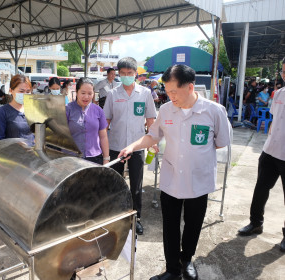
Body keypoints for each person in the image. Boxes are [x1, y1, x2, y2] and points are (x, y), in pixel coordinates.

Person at [118, 64, 231, 280]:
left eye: (173, 92)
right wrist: (133, 146)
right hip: (171, 178)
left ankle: (186, 259)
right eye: (167, 91)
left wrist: (194, 155)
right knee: (169, 225)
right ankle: (172, 269)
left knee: (193, 223)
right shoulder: (167, 110)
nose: (169, 96)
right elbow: (153, 136)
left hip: (199, 179)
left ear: (190, 87)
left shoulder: (214, 111)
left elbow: (220, 143)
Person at [103, 57, 156, 235]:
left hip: (138, 146)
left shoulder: (145, 94)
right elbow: (106, 121)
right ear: (118, 74)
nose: (126, 76)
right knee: (116, 183)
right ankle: (116, 217)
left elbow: (150, 120)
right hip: (115, 145)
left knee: (136, 185)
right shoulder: (112, 94)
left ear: (136, 74)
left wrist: (153, 142)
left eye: (130, 74)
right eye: (123, 74)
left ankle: (136, 218)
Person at [238, 58, 285, 254]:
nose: (284, 73)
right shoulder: (280, 93)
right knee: (261, 189)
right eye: (283, 70)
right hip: (270, 151)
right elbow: (274, 120)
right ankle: (255, 222)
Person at [66, 78, 109, 165]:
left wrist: (106, 158)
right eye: (83, 93)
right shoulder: (67, 109)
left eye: (90, 93)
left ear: (93, 94)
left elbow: (103, 137)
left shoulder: (98, 110)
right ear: (77, 92)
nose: (86, 97)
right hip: (71, 159)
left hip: (95, 158)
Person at [0, 74, 34, 146]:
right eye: (21, 91)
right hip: (12, 155)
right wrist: (15, 145)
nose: (25, 94)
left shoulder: (33, 110)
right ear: (11, 90)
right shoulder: (2, 112)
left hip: (33, 155)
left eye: (28, 91)